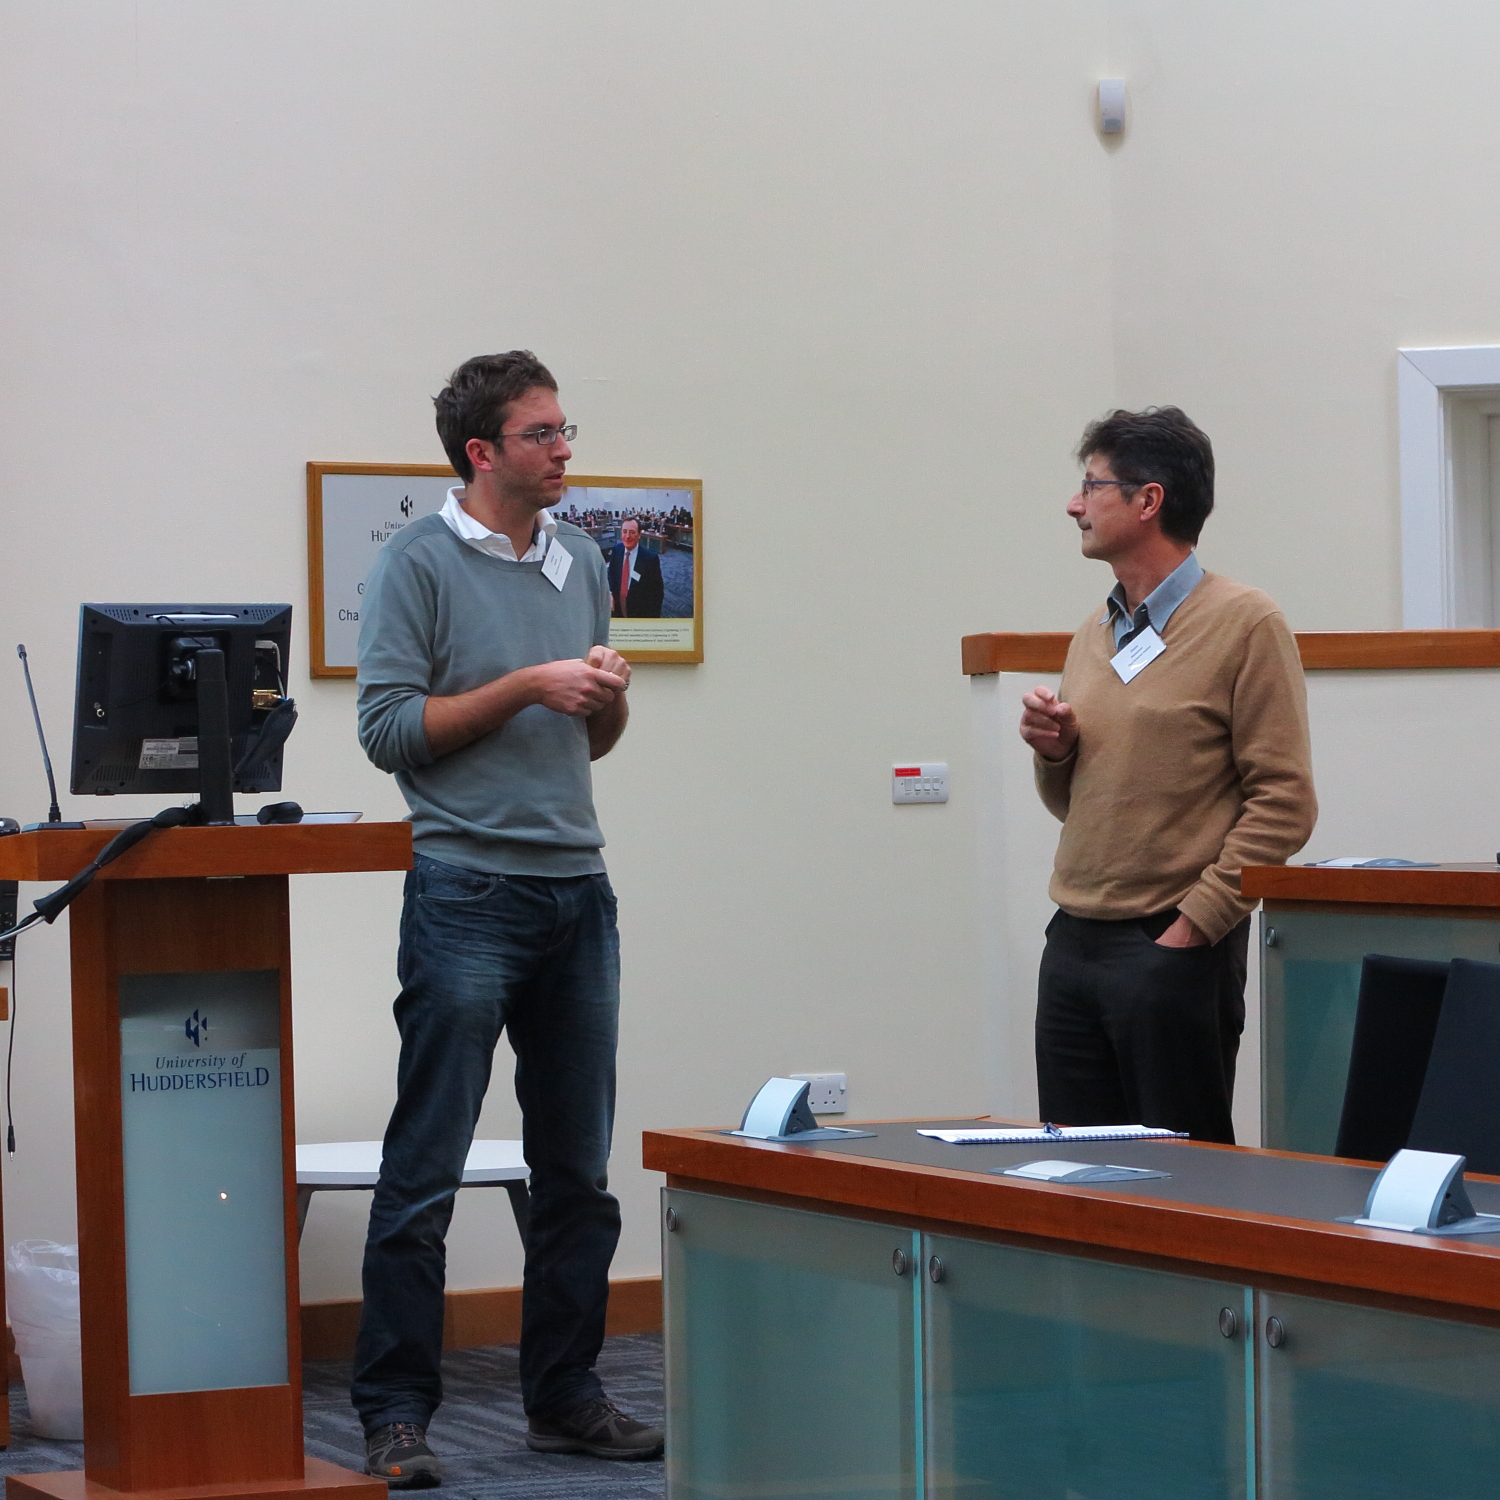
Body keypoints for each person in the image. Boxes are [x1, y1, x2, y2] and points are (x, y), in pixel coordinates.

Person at [353, 350, 664, 1483]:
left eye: (566, 429)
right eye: (543, 433)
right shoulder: (415, 562)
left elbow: (589, 742)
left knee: (577, 1173)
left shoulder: (579, 559)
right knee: (426, 1167)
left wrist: (603, 700)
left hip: (577, 889)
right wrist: (530, 683)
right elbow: (388, 732)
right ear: (482, 452)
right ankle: (395, 1414)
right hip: (465, 891)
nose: (565, 449)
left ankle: (566, 1397)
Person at [1019, 406, 1316, 1145]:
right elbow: (1075, 801)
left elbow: (1285, 802)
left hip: (1171, 942)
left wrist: (1194, 927)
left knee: (1183, 1184)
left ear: (1148, 500)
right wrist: (1055, 752)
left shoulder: (1246, 622)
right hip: (1073, 942)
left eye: (1092, 485)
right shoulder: (1094, 632)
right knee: (1074, 1179)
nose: (1073, 504)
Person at [606, 516, 664, 617]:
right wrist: (610, 593)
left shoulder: (650, 559)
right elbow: (611, 574)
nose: (627, 536)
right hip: (617, 609)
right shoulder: (617, 550)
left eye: (632, 532)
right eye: (624, 532)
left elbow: (657, 594)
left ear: (639, 534)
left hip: (639, 614)